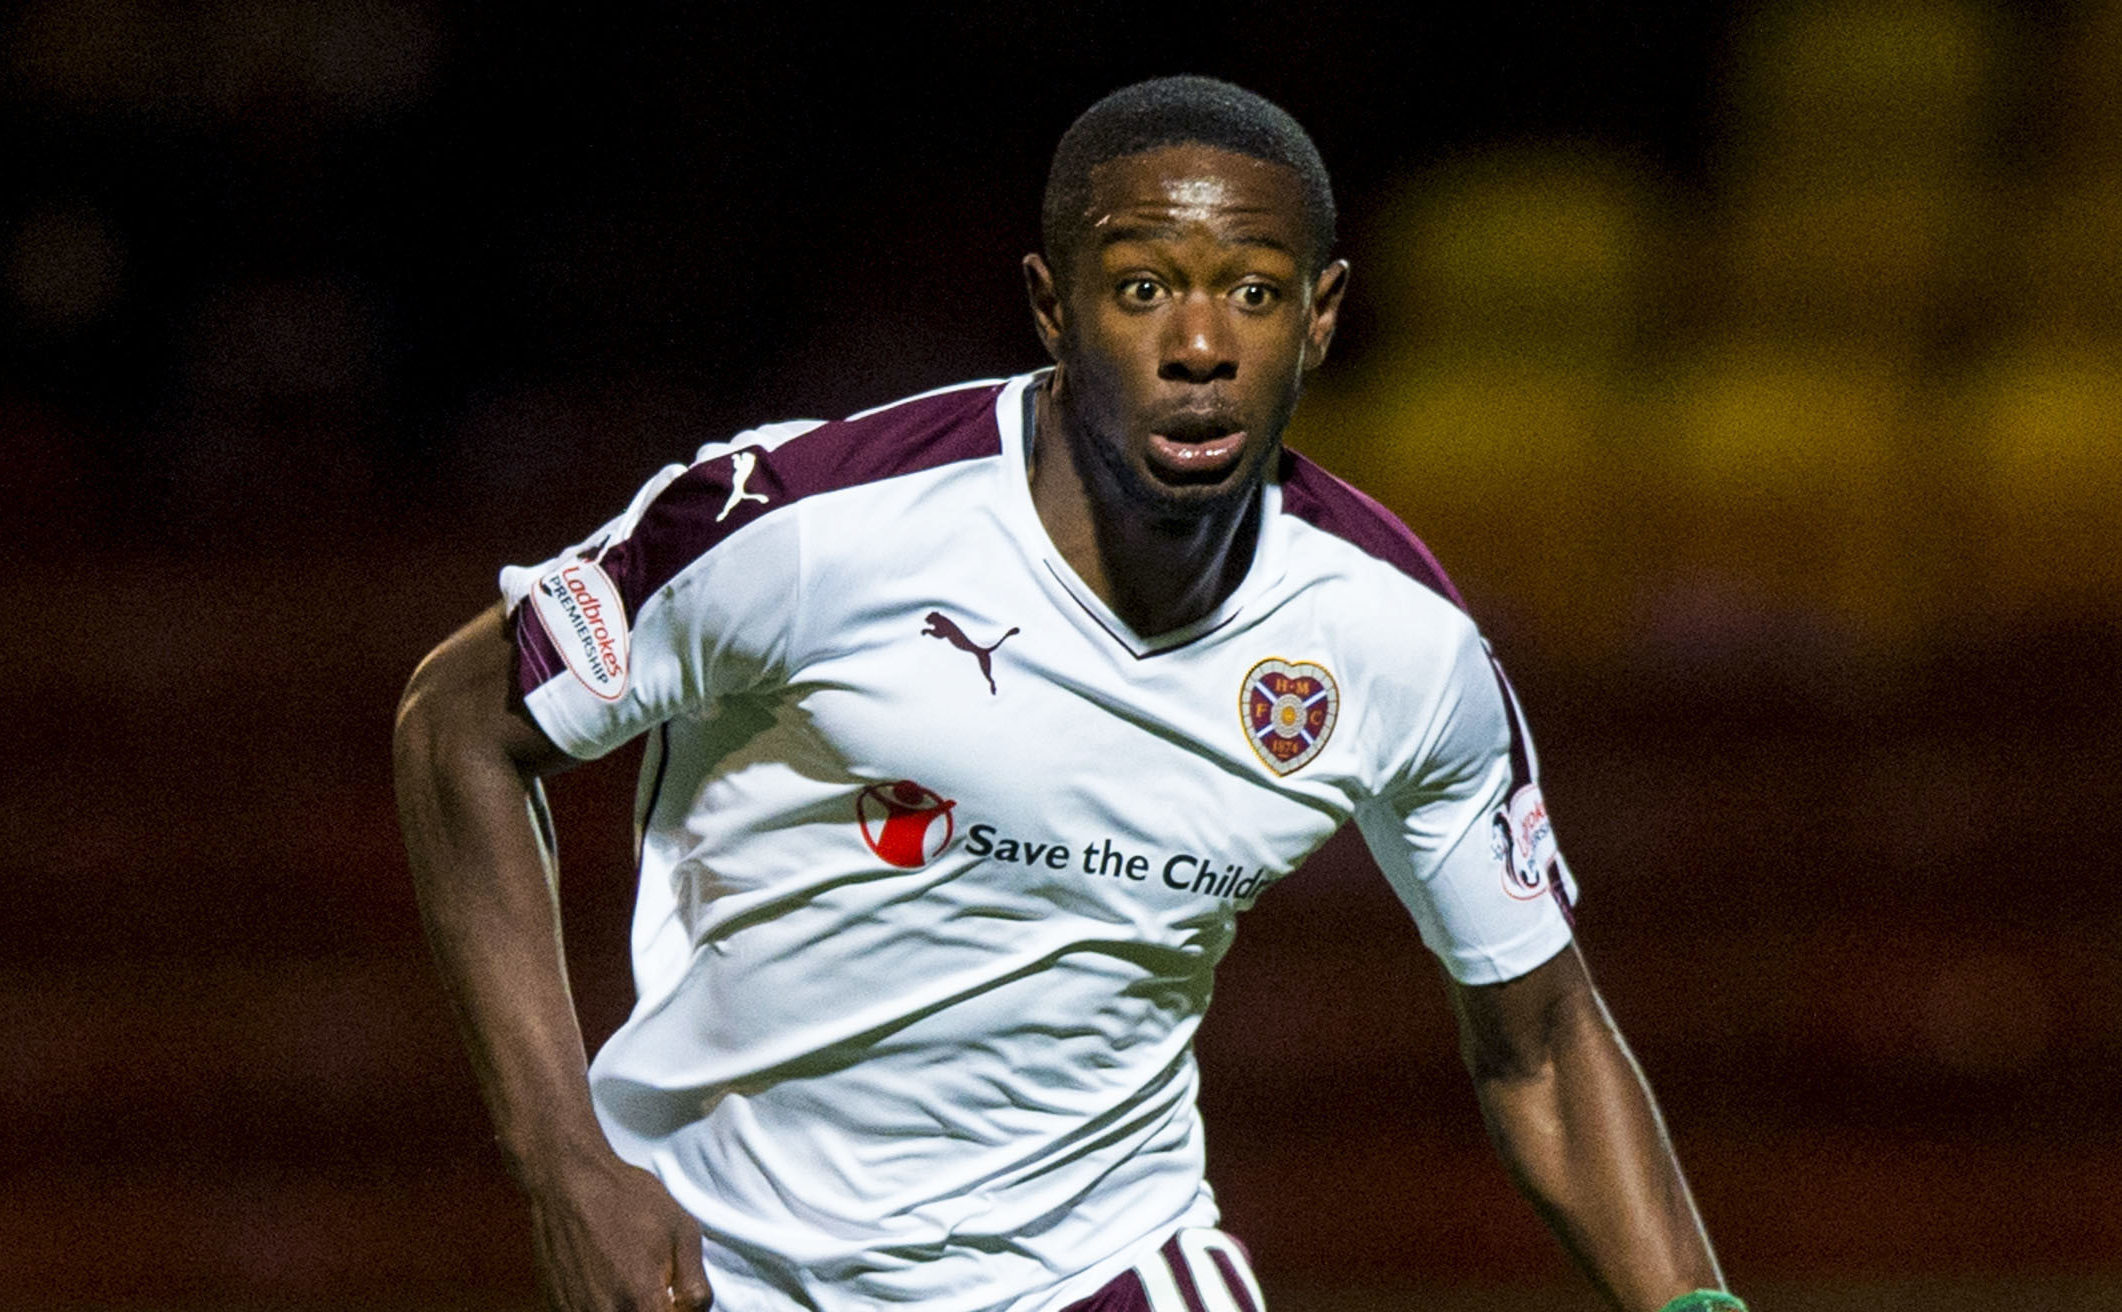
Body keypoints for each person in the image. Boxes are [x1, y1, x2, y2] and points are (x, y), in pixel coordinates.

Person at [394, 76, 1743, 1312]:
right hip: (719, 1255)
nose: (1200, 343)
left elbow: (1544, 1042)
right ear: (1051, 306)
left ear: (1322, 316)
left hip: (1099, 1264)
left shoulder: (1400, 643)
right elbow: (460, 719)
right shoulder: (808, 526)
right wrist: (563, 1163)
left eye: (1255, 293)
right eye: (1142, 289)